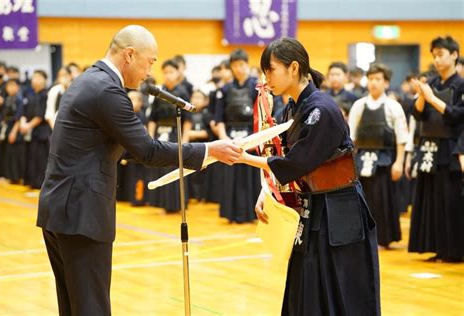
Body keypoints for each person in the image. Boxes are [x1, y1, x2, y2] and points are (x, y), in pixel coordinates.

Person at [36, 25, 241, 316]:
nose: (149, 72)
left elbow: (119, 146)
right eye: (150, 62)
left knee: (74, 306)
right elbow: (147, 150)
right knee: (91, 307)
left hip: (61, 209)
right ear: (130, 55)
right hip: (81, 212)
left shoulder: (89, 80)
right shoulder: (107, 89)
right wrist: (209, 150)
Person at [237, 38, 380, 315]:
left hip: (338, 209)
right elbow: (280, 154)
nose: (267, 79)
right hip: (310, 207)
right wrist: (265, 193)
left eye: (271, 71)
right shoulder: (291, 109)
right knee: (307, 285)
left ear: (293, 68)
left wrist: (242, 157)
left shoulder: (321, 110)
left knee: (343, 290)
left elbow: (295, 163)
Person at [408, 36, 464, 262]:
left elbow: (458, 114)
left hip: (451, 150)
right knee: (432, 202)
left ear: (454, 55)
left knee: (450, 201)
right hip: (429, 150)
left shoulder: (461, 84)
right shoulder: (431, 83)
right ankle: (438, 247)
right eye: (434, 55)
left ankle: (455, 250)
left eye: (441, 54)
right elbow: (417, 113)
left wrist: (431, 99)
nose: (437, 60)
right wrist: (422, 96)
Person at [348, 63, 408, 248]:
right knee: (361, 199)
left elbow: (401, 137)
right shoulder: (358, 105)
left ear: (386, 83)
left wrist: (399, 162)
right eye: (371, 79)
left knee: (383, 199)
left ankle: (383, 238)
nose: (373, 83)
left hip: (384, 160)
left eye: (378, 79)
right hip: (362, 158)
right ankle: (361, 237)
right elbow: (352, 137)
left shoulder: (393, 107)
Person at [214, 48, 261, 223]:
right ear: (231, 67)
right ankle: (231, 213)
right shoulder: (224, 90)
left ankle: (252, 213)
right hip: (230, 135)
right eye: (235, 65)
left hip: (251, 135)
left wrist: (257, 139)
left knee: (250, 175)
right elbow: (219, 119)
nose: (239, 68)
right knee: (231, 177)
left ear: (247, 65)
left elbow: (262, 116)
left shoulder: (257, 88)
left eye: (242, 65)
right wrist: (224, 139)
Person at [147, 58, 192, 213]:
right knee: (160, 167)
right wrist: (150, 136)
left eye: (171, 72)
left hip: (175, 134)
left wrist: (185, 138)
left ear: (177, 73)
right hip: (160, 133)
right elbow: (152, 118)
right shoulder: (159, 92)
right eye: (165, 72)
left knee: (175, 168)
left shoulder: (182, 92)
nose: (168, 75)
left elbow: (187, 120)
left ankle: (178, 204)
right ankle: (163, 203)